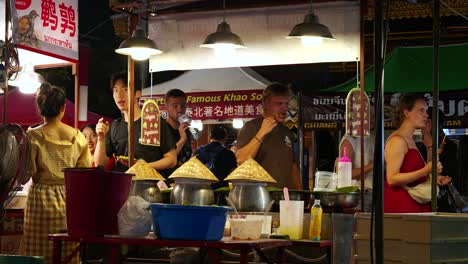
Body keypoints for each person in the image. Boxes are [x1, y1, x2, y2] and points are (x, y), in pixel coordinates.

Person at [20, 83, 92, 263]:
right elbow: (85, 173)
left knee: (38, 254)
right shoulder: (78, 136)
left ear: (40, 108)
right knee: (66, 253)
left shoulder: (32, 136)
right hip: (69, 202)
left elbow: (25, 174)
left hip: (40, 202)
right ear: (63, 108)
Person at [94, 72, 177, 175]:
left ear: (138, 93)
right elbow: (100, 164)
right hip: (123, 186)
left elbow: (172, 159)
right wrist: (101, 139)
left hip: (149, 186)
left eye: (125, 89)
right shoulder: (115, 125)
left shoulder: (154, 121)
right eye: (115, 90)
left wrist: (142, 167)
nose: (119, 95)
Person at [384, 94, 444, 213]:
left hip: (414, 203)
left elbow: (417, 170)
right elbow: (392, 178)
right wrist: (425, 171)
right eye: (421, 110)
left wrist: (431, 175)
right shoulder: (398, 141)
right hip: (401, 205)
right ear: (406, 113)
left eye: (426, 111)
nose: (426, 115)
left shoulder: (410, 140)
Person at [235, 82, 301, 189]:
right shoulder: (251, 126)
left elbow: (292, 166)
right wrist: (262, 132)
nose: (284, 108)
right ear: (265, 104)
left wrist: (300, 191)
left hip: (285, 198)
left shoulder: (286, 132)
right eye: (279, 104)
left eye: (286, 104)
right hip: (260, 197)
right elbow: (241, 159)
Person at [416, 107, 455, 211]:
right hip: (419, 194)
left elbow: (448, 172)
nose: (425, 124)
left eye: (428, 121)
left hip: (441, 196)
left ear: (439, 125)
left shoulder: (449, 145)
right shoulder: (417, 144)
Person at [163, 89, 193, 174]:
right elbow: (165, 160)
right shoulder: (161, 129)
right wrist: (182, 140)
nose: (180, 110)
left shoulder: (186, 129)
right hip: (166, 180)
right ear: (166, 107)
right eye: (175, 106)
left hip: (183, 178)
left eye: (183, 106)